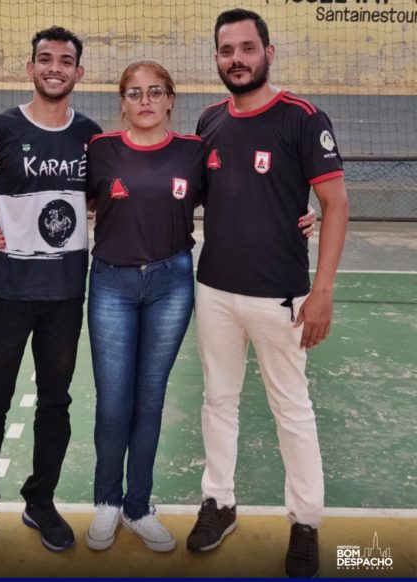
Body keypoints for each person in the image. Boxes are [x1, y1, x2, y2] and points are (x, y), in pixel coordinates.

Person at [81, 61, 316, 554]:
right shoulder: (99, 149)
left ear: (170, 99)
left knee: (150, 398)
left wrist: (301, 208)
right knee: (114, 401)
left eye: (156, 92)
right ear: (122, 102)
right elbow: (59, 200)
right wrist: (1, 226)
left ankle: (138, 506)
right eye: (134, 93)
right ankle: (107, 500)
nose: (145, 101)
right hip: (111, 285)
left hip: (171, 284)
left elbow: (238, 193)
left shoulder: (193, 150)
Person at [185, 9, 349, 579]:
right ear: (217, 58)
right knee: (218, 400)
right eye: (227, 50)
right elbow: (192, 193)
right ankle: (219, 501)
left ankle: (305, 522)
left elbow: (335, 204)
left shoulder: (302, 117)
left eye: (247, 48)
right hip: (215, 290)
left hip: (282, 294)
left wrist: (322, 291)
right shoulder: (208, 120)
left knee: (291, 409)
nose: (237, 59)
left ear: (268, 53)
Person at [0, 26, 101, 564]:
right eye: (45, 58)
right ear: (31, 67)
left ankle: (40, 501)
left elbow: (101, 200)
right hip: (7, 293)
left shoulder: (90, 136)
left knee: (55, 403)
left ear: (79, 72)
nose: (55, 67)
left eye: (65, 60)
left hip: (64, 293)